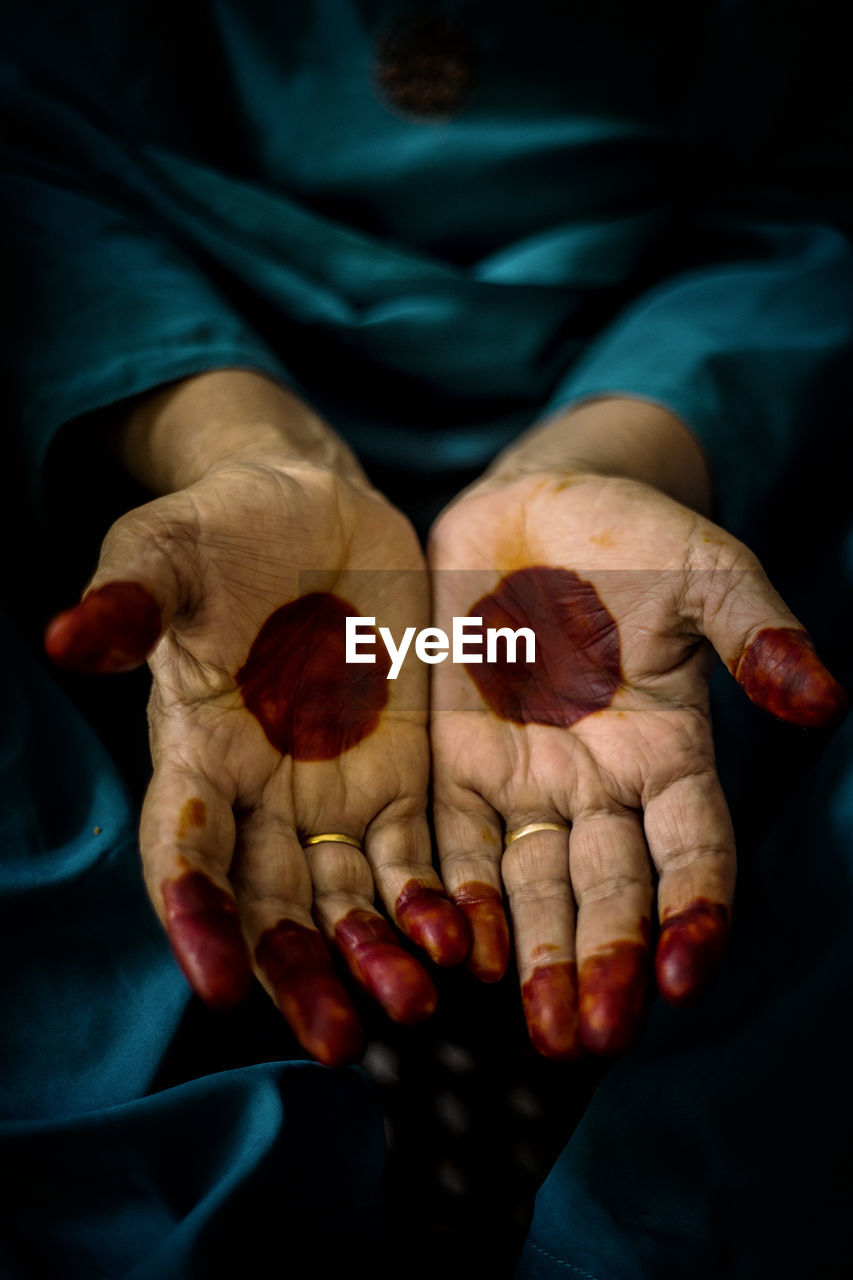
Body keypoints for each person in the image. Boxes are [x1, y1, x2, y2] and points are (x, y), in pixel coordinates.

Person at [1, 2, 851, 1275]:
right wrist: (235, 444)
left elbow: (814, 202)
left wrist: (614, 450)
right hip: (151, 412)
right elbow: (24, 175)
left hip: (669, 409)